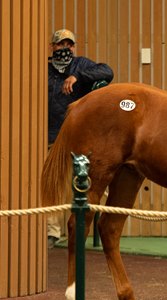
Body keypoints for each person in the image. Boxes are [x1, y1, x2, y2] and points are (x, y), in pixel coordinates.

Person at [47, 29, 114, 249]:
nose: (65, 49)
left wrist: (78, 76)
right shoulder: (45, 70)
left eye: (69, 44)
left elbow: (106, 71)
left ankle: (71, 230)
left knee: (76, 185)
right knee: (54, 185)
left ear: (74, 47)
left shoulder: (81, 65)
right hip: (49, 137)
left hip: (77, 139)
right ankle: (53, 232)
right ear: (52, 47)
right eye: (60, 44)